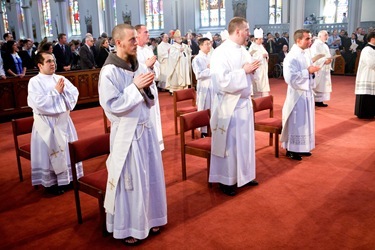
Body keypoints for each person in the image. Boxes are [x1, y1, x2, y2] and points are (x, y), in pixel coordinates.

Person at [98, 23, 167, 245]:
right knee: (132, 182)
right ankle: (130, 225)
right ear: (118, 43)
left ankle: (152, 216)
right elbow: (111, 105)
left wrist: (146, 89)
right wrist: (135, 88)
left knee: (150, 176)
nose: (137, 43)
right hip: (127, 135)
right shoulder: (109, 71)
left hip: (145, 130)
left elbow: (152, 96)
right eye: (132, 40)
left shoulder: (138, 65)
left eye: (137, 39)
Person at [209, 17, 261, 196]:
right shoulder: (220, 52)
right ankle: (227, 179)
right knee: (229, 145)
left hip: (244, 104)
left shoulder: (244, 50)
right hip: (228, 105)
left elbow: (247, 73)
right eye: (246, 29)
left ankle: (245, 175)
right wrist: (244, 71)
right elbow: (221, 81)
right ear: (238, 31)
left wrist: (252, 71)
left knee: (244, 143)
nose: (249, 32)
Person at [27, 52, 82, 195]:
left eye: (54, 60)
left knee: (65, 150)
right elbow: (38, 103)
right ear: (40, 65)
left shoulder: (60, 78)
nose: (53, 64)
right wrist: (56, 92)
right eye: (48, 61)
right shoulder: (34, 82)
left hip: (62, 121)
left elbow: (74, 93)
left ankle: (68, 179)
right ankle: (51, 184)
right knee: (49, 152)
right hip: (46, 123)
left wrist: (64, 94)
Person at [280, 29, 321, 161]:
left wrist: (312, 71)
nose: (310, 41)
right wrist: (307, 71)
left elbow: (309, 70)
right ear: (298, 40)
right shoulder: (291, 56)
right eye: (307, 39)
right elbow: (290, 78)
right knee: (296, 122)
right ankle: (291, 149)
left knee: (306, 121)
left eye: (310, 38)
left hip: (306, 92)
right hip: (296, 94)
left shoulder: (305, 53)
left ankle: (302, 147)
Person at [135, 24, 164, 151]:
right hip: (141, 91)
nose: (148, 34)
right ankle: (148, 145)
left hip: (152, 88)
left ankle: (156, 142)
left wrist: (152, 67)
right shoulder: (133, 51)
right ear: (137, 34)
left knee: (154, 115)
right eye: (146, 32)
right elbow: (135, 72)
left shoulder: (148, 50)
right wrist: (147, 65)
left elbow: (157, 67)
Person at [192, 37, 213, 137]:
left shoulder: (210, 56)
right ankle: (204, 131)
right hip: (204, 88)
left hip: (213, 87)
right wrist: (211, 69)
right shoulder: (197, 59)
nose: (209, 46)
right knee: (205, 108)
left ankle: (212, 128)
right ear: (200, 46)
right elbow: (199, 75)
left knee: (213, 108)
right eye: (206, 44)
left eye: (210, 43)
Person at [354, 31, 375, 119]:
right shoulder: (367, 49)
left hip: (371, 75)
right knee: (366, 94)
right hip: (367, 75)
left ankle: (371, 112)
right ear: (373, 39)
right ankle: (364, 113)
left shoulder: (372, 49)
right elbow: (371, 63)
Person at [310, 30, 333, 107]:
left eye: (327, 35)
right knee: (318, 84)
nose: (327, 37)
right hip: (319, 68)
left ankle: (320, 100)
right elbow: (314, 57)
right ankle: (315, 101)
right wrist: (324, 61)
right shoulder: (315, 45)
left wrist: (330, 59)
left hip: (325, 68)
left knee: (323, 85)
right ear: (319, 36)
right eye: (325, 35)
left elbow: (328, 55)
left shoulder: (325, 45)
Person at [165, 29, 192, 95]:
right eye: (178, 37)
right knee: (176, 79)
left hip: (184, 66)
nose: (180, 38)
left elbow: (189, 52)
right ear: (174, 39)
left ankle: (184, 91)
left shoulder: (184, 45)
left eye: (180, 37)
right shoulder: (173, 47)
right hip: (177, 67)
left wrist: (188, 46)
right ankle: (175, 92)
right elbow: (172, 57)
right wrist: (179, 51)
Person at [249, 28, 270, 98]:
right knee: (258, 83)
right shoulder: (253, 47)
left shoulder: (261, 46)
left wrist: (266, 56)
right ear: (256, 39)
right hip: (258, 68)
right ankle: (258, 99)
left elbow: (266, 53)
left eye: (262, 39)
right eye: (260, 39)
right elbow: (251, 57)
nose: (262, 41)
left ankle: (265, 98)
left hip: (263, 67)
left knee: (264, 83)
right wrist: (261, 56)